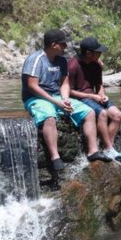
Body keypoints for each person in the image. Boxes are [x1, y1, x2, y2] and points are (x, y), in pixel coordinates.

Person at [21, 30, 112, 185]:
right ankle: (55, 157)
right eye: (63, 43)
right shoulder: (35, 59)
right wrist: (56, 103)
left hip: (57, 96)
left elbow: (64, 83)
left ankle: (93, 151)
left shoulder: (62, 61)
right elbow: (32, 86)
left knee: (89, 112)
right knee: (49, 117)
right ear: (53, 45)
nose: (65, 46)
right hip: (35, 97)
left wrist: (64, 99)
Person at [68, 37, 121, 161]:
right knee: (103, 113)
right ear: (88, 53)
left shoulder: (97, 65)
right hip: (80, 98)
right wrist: (92, 96)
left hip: (93, 96)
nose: (101, 54)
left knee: (117, 115)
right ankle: (109, 148)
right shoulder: (72, 66)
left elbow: (99, 85)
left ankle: (107, 148)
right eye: (98, 52)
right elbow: (69, 91)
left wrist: (102, 95)